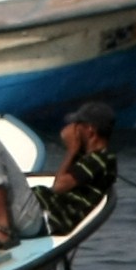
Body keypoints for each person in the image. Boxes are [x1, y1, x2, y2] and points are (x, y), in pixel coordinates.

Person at [44, 98, 119, 235]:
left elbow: (58, 186)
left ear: (90, 130)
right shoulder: (88, 158)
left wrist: (71, 149)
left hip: (48, 218)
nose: (74, 128)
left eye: (78, 124)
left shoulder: (101, 159)